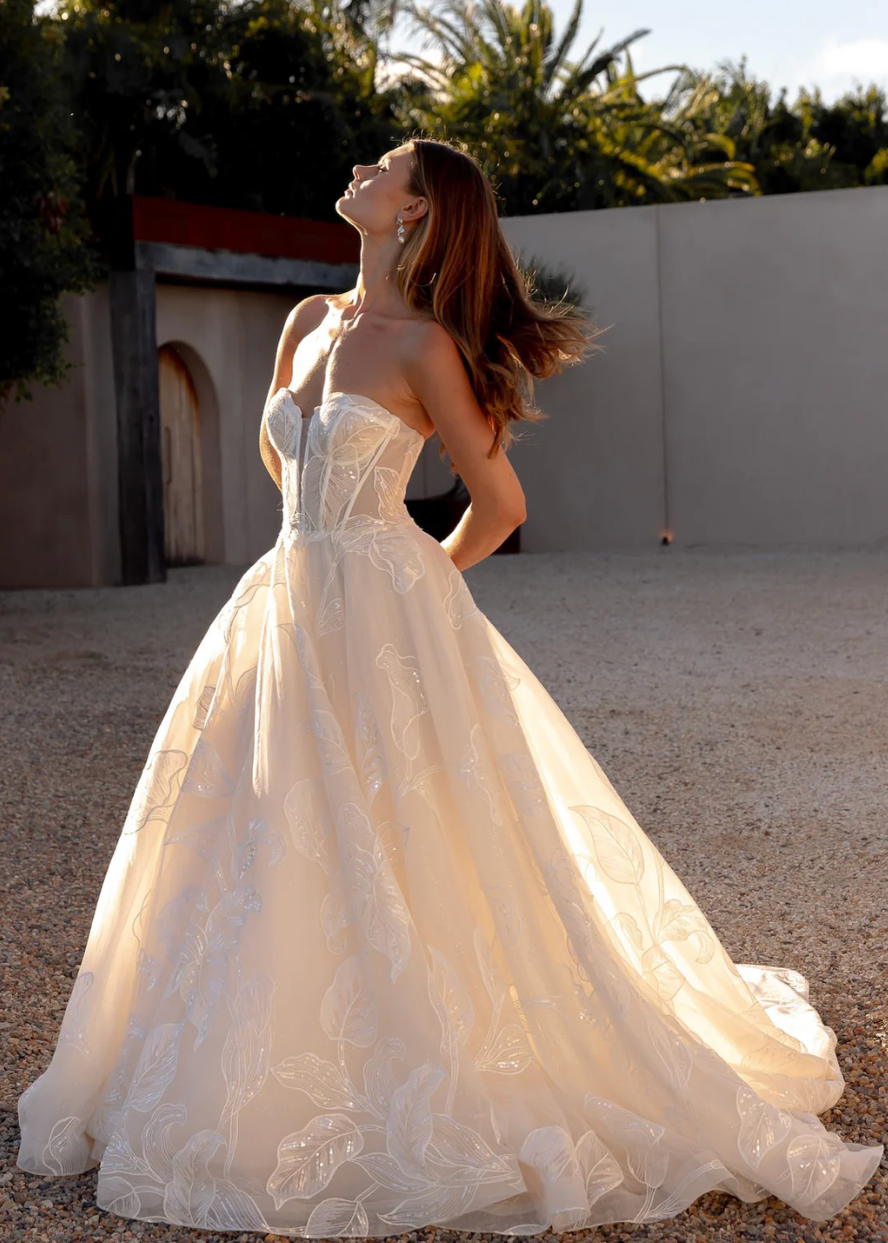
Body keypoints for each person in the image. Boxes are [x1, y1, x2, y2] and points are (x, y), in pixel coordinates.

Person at [16, 136, 883, 1235]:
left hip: (380, 616)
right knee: (252, 824)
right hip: (282, 603)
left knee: (407, 830)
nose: (361, 172)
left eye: (384, 167)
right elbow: (287, 468)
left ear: (416, 213)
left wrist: (413, 582)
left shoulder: (424, 347)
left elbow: (500, 501)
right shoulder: (305, 323)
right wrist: (329, 551)